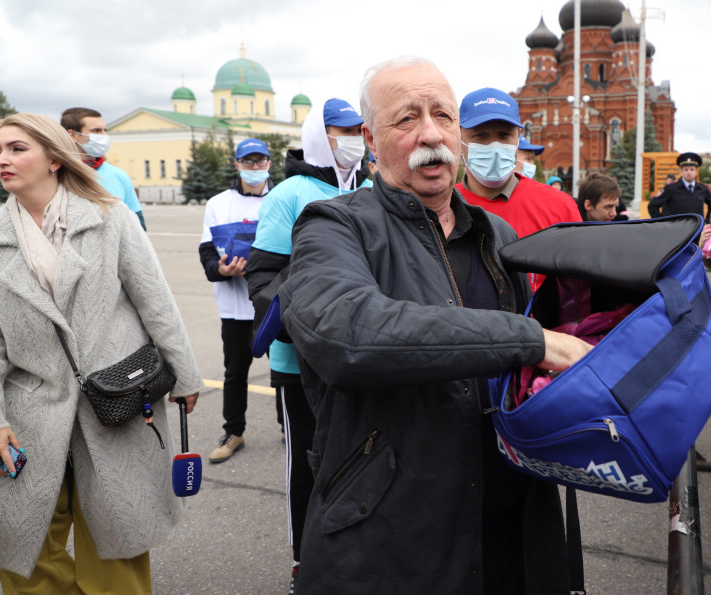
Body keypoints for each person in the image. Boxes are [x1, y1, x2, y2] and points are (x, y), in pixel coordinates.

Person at [279, 56, 592, 593]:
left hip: (509, 520)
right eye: (406, 119)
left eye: (443, 116)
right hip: (392, 530)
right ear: (371, 141)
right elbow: (347, 334)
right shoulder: (333, 224)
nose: (431, 134)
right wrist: (533, 342)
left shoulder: (495, 233)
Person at [0, 113, 202, 592]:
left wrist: (184, 375)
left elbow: (154, 301)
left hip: (118, 399)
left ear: (54, 158)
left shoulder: (107, 216)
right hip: (28, 409)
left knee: (116, 545)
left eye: (17, 148)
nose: (2, 159)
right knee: (22, 550)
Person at [245, 98, 370, 593]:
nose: (354, 138)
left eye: (359, 129)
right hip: (300, 363)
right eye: (342, 130)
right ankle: (305, 562)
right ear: (321, 134)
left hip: (359, 358)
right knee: (309, 468)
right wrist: (309, 326)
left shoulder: (369, 189)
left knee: (359, 459)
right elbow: (263, 276)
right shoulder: (290, 193)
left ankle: (356, 553)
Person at [198, 138, 273, 463]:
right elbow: (206, 252)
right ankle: (234, 432)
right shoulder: (219, 203)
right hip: (235, 306)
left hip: (273, 304)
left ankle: (289, 426)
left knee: (285, 371)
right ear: (237, 164)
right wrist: (221, 269)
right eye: (248, 162)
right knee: (235, 373)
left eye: (260, 161)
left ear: (269, 163)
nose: (255, 168)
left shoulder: (280, 199)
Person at [455, 87, 580, 240]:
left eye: (504, 135)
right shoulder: (440, 209)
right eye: (481, 135)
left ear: (517, 139)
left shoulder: (559, 208)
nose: (495, 147)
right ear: (459, 140)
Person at [60, 107, 145, 229]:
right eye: (96, 130)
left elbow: (138, 227)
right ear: (73, 135)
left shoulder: (119, 175)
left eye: (105, 130)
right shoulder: (55, 174)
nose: (104, 135)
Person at [651, 152, 711, 218]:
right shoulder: (671, 188)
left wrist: (707, 222)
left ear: (696, 172)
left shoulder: (703, 189)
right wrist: (664, 223)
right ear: (681, 171)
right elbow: (652, 205)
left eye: (692, 169)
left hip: (698, 227)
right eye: (686, 169)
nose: (689, 172)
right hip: (677, 227)